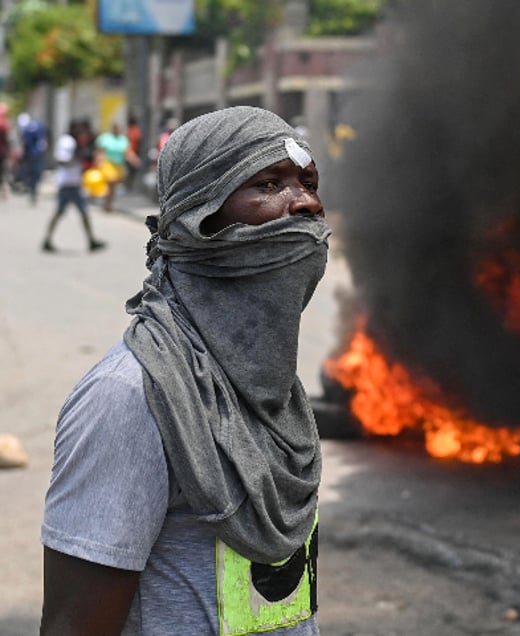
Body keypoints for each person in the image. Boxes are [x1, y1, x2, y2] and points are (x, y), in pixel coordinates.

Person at [40, 106, 329, 635]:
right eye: (269, 183)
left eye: (307, 183)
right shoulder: (132, 397)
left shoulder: (270, 390)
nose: (307, 202)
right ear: (199, 217)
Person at [41, 123, 107, 253]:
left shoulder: (73, 142)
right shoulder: (67, 142)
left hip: (74, 183)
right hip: (67, 184)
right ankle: (47, 240)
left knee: (82, 213)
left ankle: (91, 241)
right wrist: (77, 158)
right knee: (61, 213)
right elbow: (61, 161)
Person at [95, 121, 139, 212]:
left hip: (118, 165)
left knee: (113, 186)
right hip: (108, 163)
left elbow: (127, 152)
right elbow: (100, 151)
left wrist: (135, 160)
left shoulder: (123, 139)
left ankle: (108, 203)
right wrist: (98, 161)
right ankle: (107, 202)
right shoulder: (106, 138)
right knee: (111, 182)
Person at [19, 112, 48, 204]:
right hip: (37, 154)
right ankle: (33, 190)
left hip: (34, 154)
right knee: (35, 173)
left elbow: (26, 143)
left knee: (33, 173)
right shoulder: (38, 125)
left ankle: (32, 190)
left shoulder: (29, 129)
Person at [0, 103, 10, 199]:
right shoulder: (5, 124)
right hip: (3, 152)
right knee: (3, 173)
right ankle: (4, 191)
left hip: (2, 152)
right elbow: (7, 140)